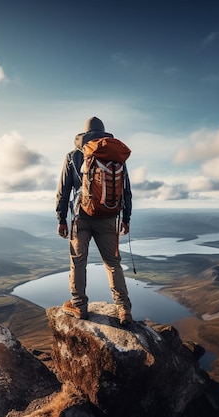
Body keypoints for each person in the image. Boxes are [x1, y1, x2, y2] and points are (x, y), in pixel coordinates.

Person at [55, 116, 133, 325]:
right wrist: (126, 218)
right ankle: (124, 309)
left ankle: (79, 306)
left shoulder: (72, 156)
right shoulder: (115, 157)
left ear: (83, 135)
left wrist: (61, 218)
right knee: (113, 264)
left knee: (78, 262)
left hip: (81, 217)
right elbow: (126, 191)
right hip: (109, 217)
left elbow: (63, 191)